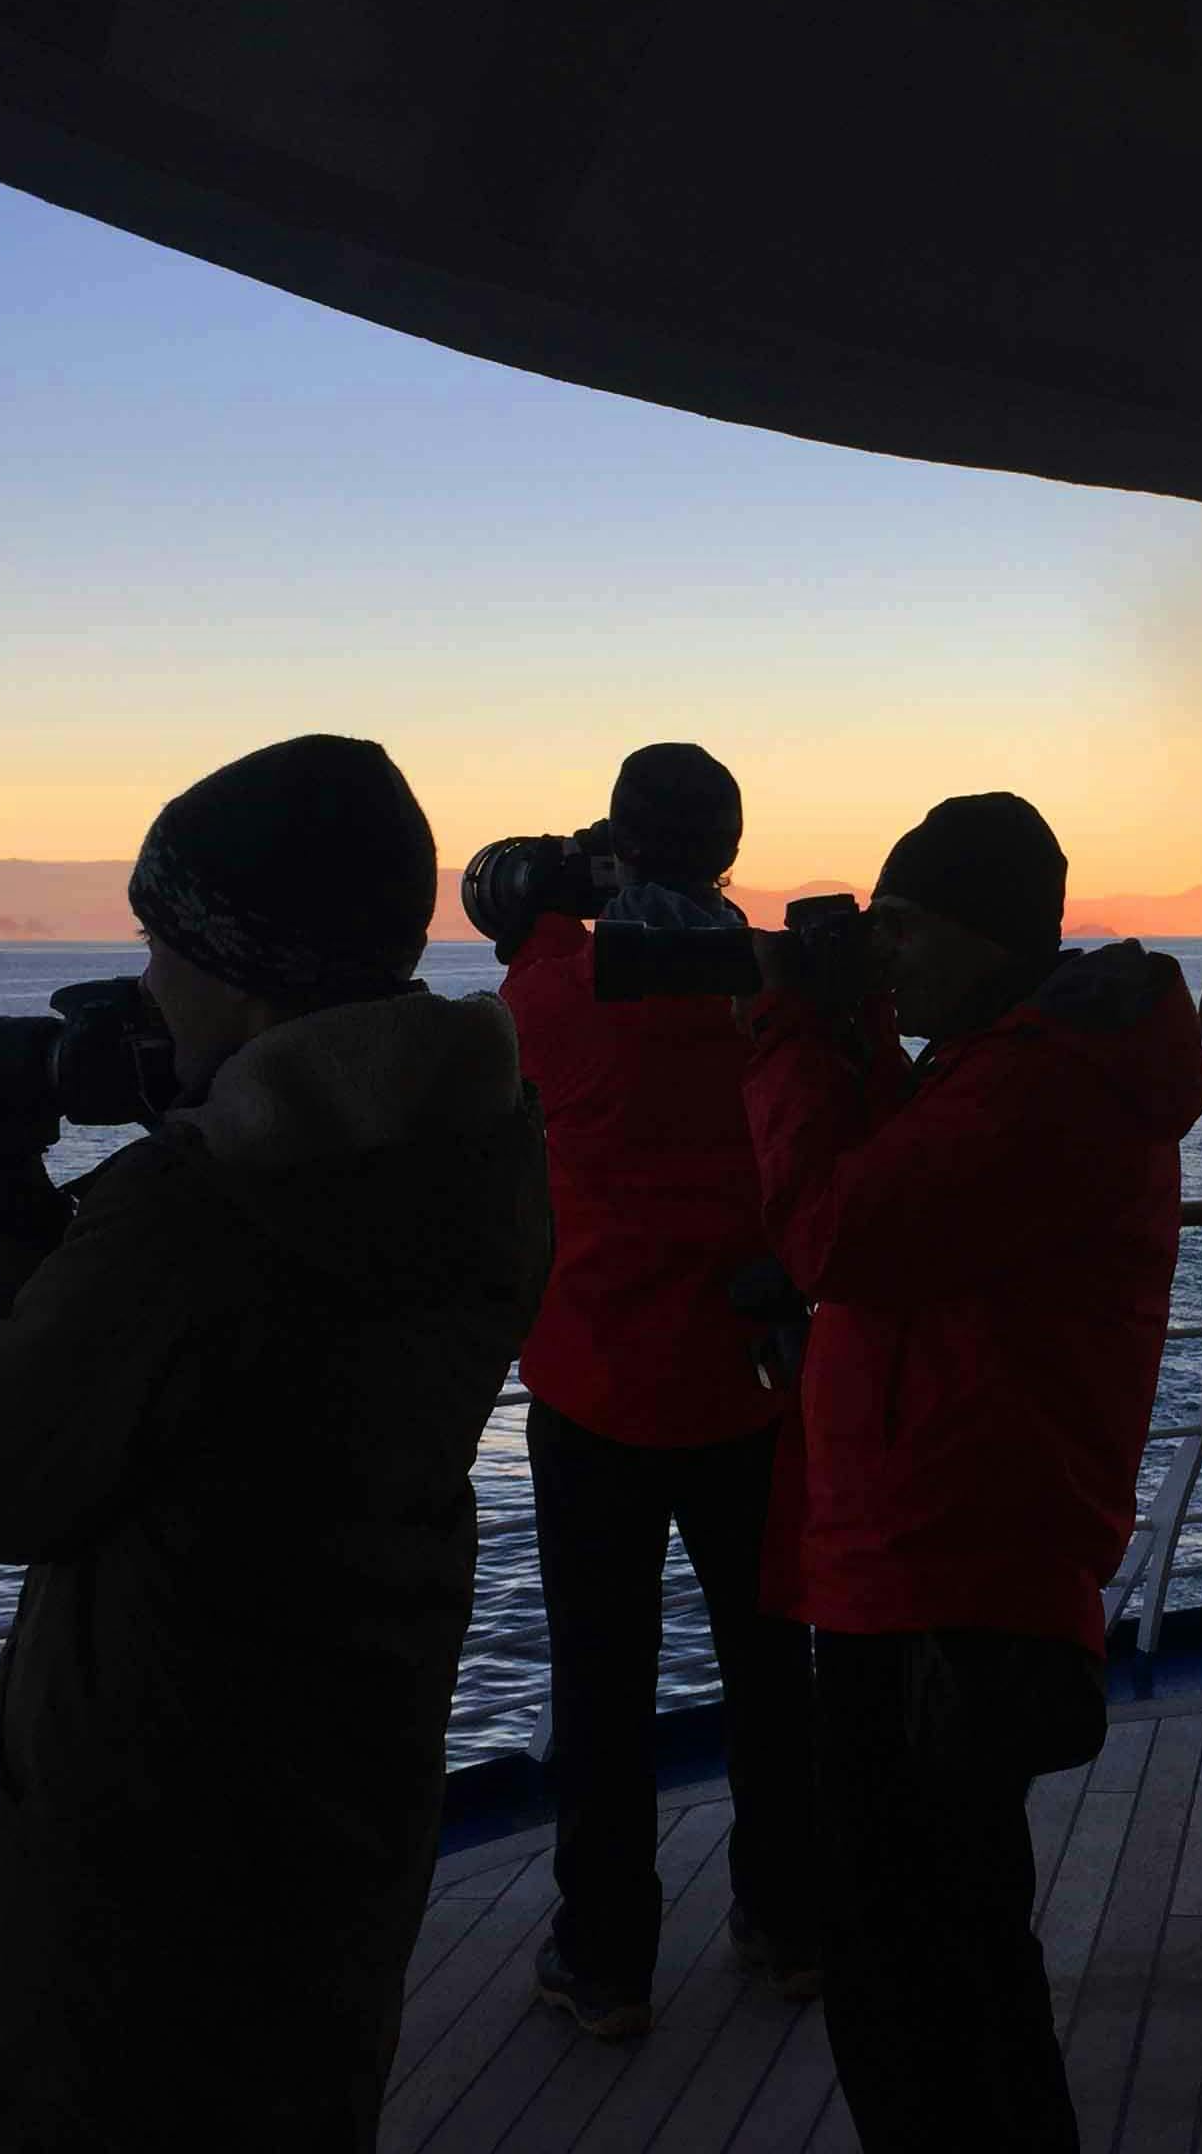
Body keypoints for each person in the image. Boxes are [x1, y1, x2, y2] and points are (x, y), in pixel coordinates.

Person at [0, 735, 553, 2151]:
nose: (143, 982)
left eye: (158, 943)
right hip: (338, 1790)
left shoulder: (200, 1215)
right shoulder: (480, 1151)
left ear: (240, 970)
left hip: (146, 1834)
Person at [740, 793, 1202, 2154]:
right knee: (954, 1951)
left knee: (915, 1969)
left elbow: (843, 1228)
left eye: (899, 928)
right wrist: (850, 1030)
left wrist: (786, 1033)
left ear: (974, 932)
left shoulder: (1041, 1079)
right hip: (942, 1538)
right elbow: (909, 1188)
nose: (881, 955)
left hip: (948, 1559)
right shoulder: (1020, 1057)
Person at [495, 743, 820, 2036]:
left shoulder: (566, 992)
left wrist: (546, 905)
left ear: (623, 844)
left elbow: (517, 1014)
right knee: (768, 1672)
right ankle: (791, 1925)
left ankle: (607, 1959)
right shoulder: (767, 995)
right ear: (729, 854)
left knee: (602, 1685)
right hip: (749, 1386)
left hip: (598, 1390)